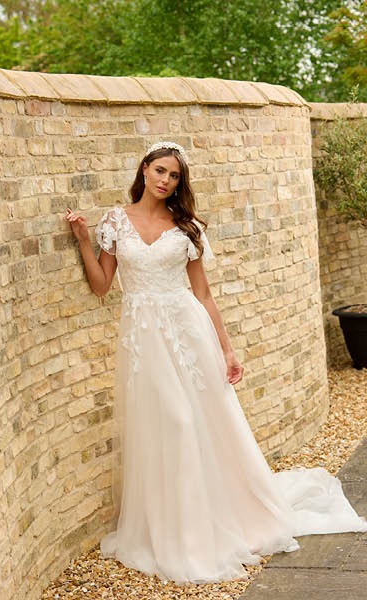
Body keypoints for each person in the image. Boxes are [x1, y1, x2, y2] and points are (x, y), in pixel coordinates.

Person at [64, 141, 367, 584]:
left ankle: (205, 529)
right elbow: (101, 286)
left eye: (174, 176)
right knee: (166, 426)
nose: (166, 181)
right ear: (144, 170)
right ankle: (175, 529)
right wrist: (83, 241)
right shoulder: (115, 221)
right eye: (160, 171)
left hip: (188, 332)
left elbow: (202, 294)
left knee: (198, 423)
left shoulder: (185, 228)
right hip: (143, 339)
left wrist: (226, 348)